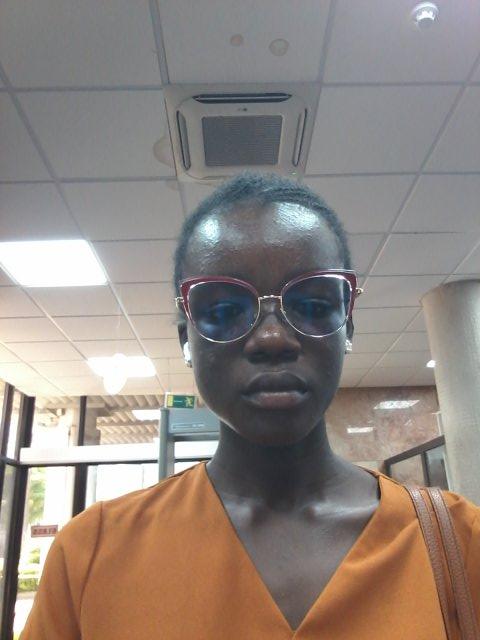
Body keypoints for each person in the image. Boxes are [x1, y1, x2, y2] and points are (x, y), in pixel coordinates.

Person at [21, 172, 480, 639]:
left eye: (313, 304)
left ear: (348, 327)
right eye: (223, 311)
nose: (273, 338)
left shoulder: (459, 544)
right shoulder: (91, 555)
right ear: (186, 340)